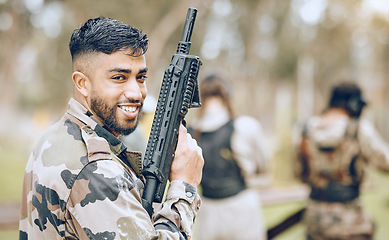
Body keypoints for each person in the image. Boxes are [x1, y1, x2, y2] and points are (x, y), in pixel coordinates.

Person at [19, 17, 204, 240]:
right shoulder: (95, 170)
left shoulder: (56, 136)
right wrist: (184, 187)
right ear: (82, 83)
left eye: (141, 77)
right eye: (119, 77)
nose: (136, 93)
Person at [294, 81, 389, 240]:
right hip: (350, 226)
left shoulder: (305, 130)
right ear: (354, 104)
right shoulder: (359, 129)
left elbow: (298, 173)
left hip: (315, 223)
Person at [189, 73, 270, 240]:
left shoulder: (191, 132)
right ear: (228, 95)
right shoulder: (245, 126)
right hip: (242, 208)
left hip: (208, 210)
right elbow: (263, 167)